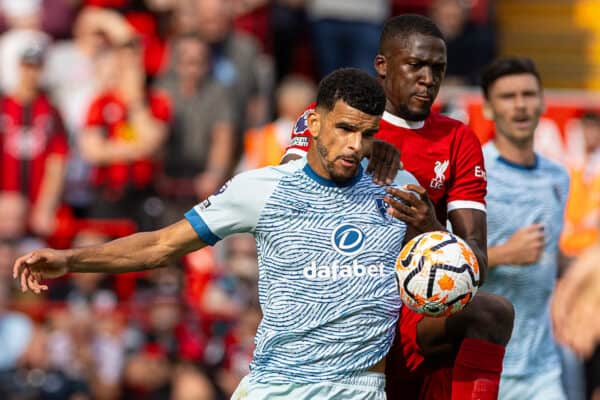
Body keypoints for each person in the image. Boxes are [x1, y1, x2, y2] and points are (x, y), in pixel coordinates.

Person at [13, 68, 435, 399]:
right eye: (345, 129)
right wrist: (69, 260)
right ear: (314, 121)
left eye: (368, 134)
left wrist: (430, 226)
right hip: (279, 387)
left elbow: (445, 270)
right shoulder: (263, 188)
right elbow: (161, 245)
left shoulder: (398, 187)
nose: (355, 146)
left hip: (358, 388)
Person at [283, 14, 514, 400]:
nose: (428, 78)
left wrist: (432, 228)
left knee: (492, 312)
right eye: (416, 65)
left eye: (438, 68)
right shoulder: (330, 115)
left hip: (410, 309)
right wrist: (364, 147)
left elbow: (479, 263)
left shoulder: (457, 138)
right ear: (382, 66)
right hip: (338, 297)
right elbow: (288, 194)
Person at [479, 57, 570, 400]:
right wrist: (504, 254)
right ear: (488, 108)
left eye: (528, 94)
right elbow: (442, 266)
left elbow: (551, 254)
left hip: (541, 365)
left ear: (543, 101)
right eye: (507, 96)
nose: (520, 105)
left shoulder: (558, 176)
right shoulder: (476, 172)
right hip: (483, 360)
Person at [0, 42, 69, 238]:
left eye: (36, 67)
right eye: (27, 66)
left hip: (36, 203)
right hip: (5, 205)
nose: (31, 73)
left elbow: (57, 161)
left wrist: (45, 205)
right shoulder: (3, 107)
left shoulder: (51, 111)